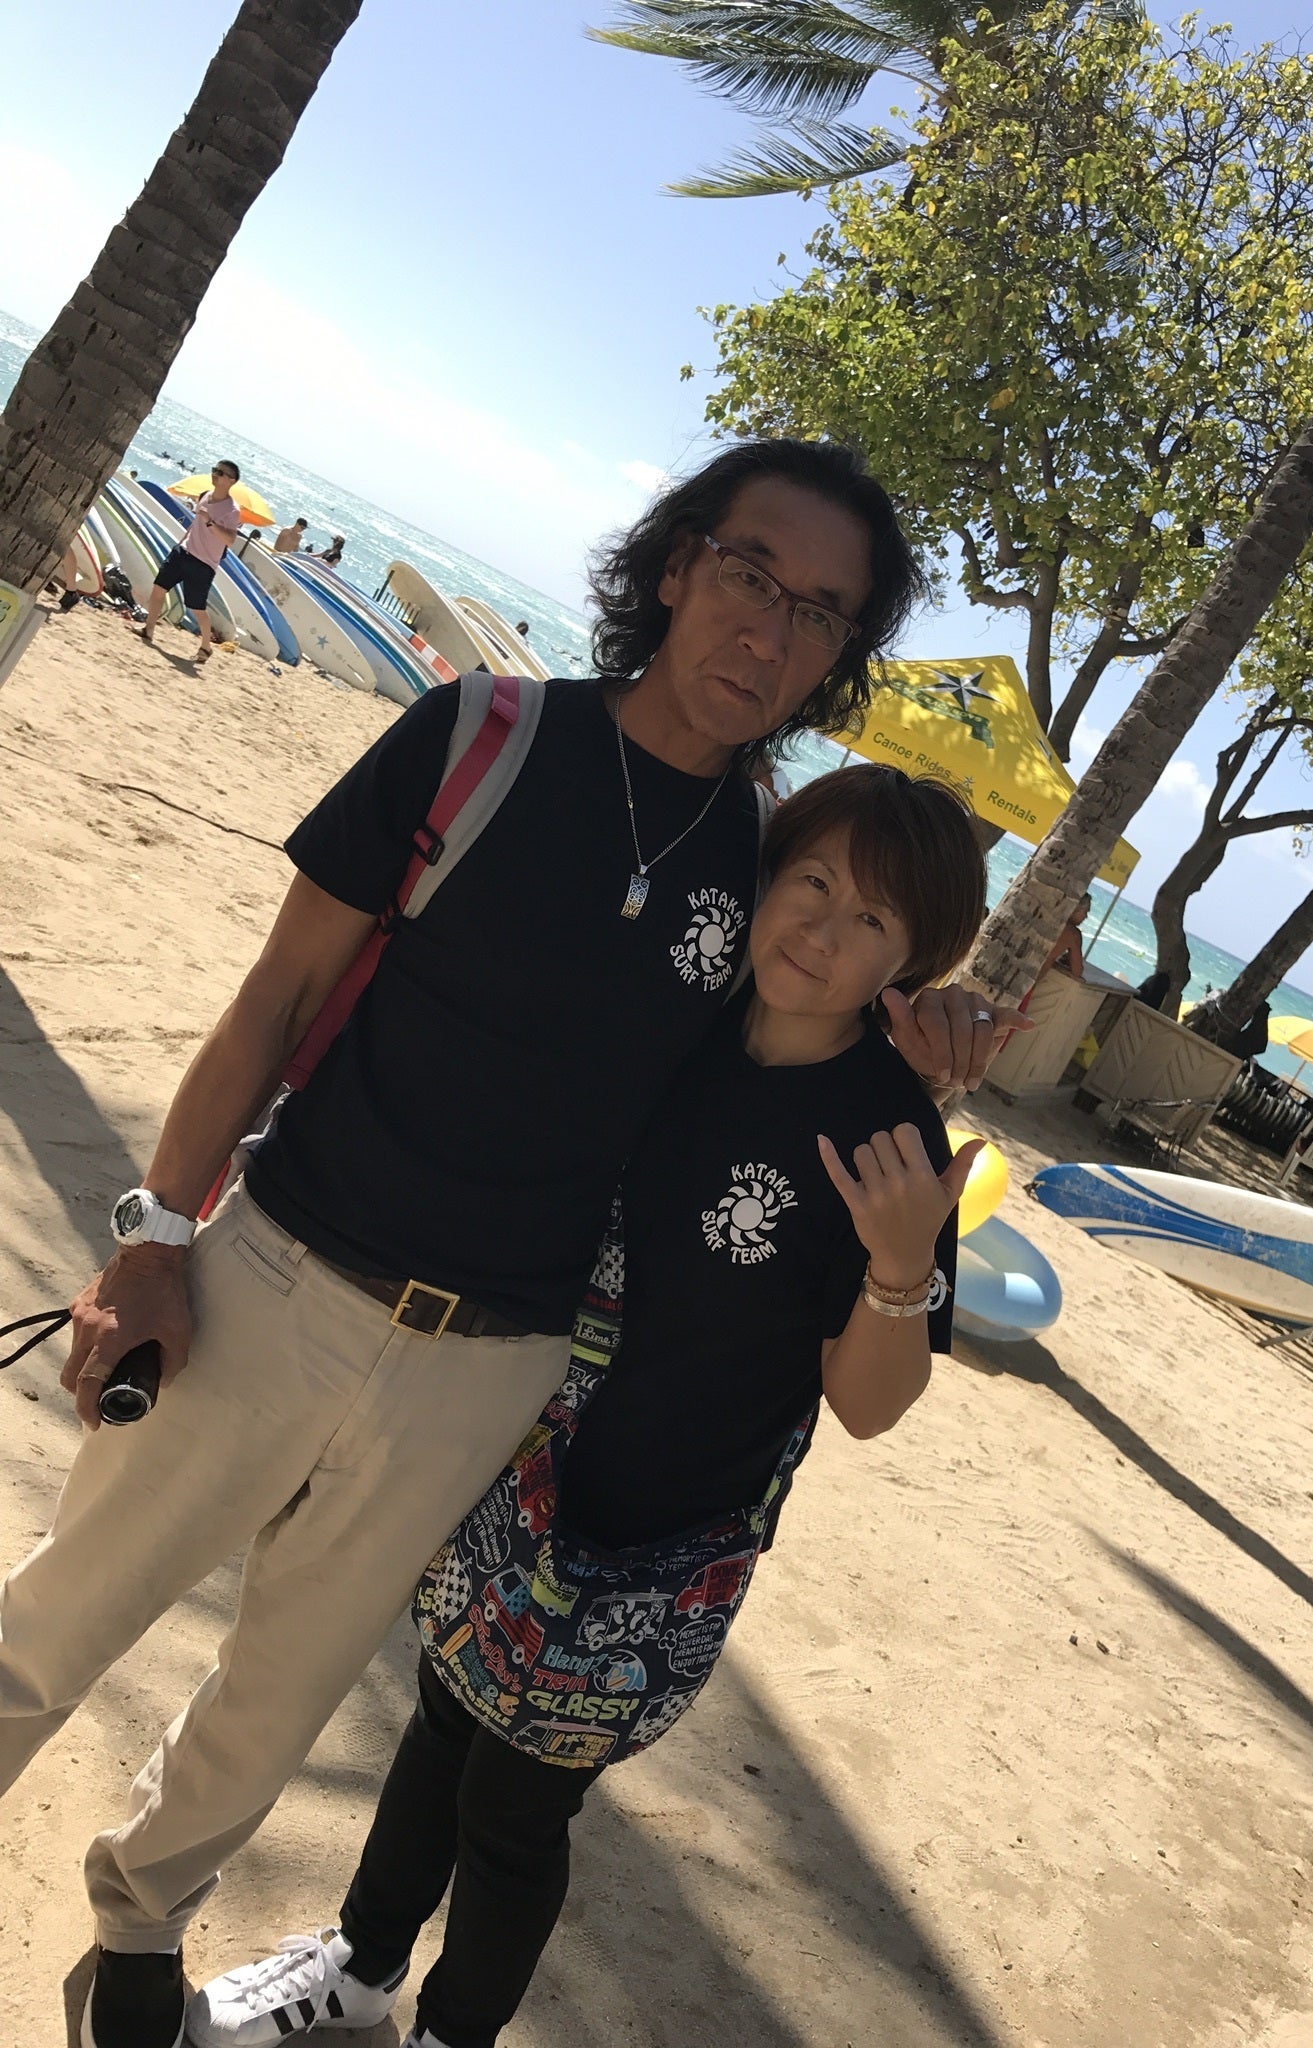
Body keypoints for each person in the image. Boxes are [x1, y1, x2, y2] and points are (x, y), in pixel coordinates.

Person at [0, 439, 1014, 2048]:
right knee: (56, 1624)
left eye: (821, 613)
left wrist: (936, 1033)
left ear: (836, 656)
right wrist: (157, 1233)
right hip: (279, 1276)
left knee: (277, 1702)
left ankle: (138, 1929)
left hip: (490, 1377)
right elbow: (275, 995)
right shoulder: (482, 737)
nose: (771, 628)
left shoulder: (762, 862)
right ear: (676, 566)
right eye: (750, 573)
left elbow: (839, 994)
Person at [188, 764, 987, 2048]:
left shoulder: (888, 1134)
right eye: (813, 880)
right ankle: (359, 1964)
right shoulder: (685, 1018)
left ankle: (452, 2031)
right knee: (443, 1714)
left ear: (912, 959)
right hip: (519, 1456)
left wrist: (899, 1268)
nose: (824, 930)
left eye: (874, 919)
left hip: (664, 1535)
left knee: (517, 1807)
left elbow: (869, 1404)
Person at [128, 460, 242, 663]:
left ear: (231, 481)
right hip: (183, 551)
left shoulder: (232, 510)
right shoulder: (206, 496)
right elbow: (196, 525)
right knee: (158, 588)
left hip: (203, 564)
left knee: (197, 607)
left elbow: (230, 540)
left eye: (221, 473)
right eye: (214, 470)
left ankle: (206, 647)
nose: (215, 474)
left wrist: (210, 521)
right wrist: (181, 543)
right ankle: (149, 629)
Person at [1041, 892, 1093, 980]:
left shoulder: (1043, 915)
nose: (1086, 917)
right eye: (1085, 912)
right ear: (1076, 909)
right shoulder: (1072, 934)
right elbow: (1077, 971)